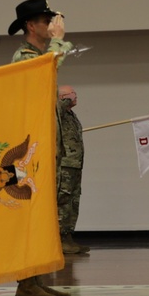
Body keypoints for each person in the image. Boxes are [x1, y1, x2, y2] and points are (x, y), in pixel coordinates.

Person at [7, 0, 74, 296]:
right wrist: (59, 42)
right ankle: (26, 282)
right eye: (46, 21)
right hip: (30, 154)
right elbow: (44, 75)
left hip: (45, 147)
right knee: (31, 215)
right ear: (31, 26)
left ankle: (35, 279)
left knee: (42, 216)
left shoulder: (40, 55)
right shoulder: (24, 57)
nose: (51, 25)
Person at [57, 84, 88, 255]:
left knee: (73, 201)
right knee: (63, 200)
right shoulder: (57, 111)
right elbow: (55, 109)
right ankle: (60, 239)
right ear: (62, 97)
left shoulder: (70, 114)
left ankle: (69, 237)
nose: (76, 95)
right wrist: (61, 101)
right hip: (65, 165)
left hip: (76, 164)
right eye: (72, 93)